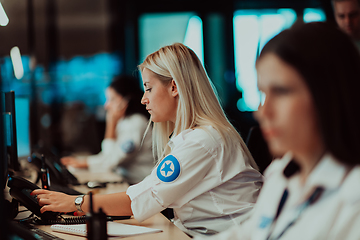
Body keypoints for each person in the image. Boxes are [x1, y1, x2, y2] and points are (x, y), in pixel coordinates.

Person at [32, 43, 263, 237]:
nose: (144, 100)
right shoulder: (194, 136)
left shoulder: (202, 141)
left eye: (149, 89)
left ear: (174, 87)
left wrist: (75, 203)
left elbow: (144, 197)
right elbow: (148, 192)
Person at [196, 22, 360, 240]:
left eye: (281, 91)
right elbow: (247, 234)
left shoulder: (353, 197)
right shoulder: (281, 172)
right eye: (263, 93)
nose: (263, 112)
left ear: (330, 95)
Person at [61, 75, 154, 185]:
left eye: (112, 99)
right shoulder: (124, 121)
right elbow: (108, 156)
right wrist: (81, 162)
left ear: (126, 101)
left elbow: (112, 160)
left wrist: (111, 124)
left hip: (139, 183)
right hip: (127, 181)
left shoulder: (136, 123)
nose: (107, 105)